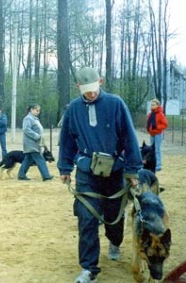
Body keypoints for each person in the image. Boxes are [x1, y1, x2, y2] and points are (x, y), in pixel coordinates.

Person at [57, 67, 143, 283]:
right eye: (86, 90)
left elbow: (129, 137)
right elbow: (66, 140)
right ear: (78, 87)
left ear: (101, 82)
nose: (91, 94)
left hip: (114, 170)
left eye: (94, 89)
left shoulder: (116, 104)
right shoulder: (74, 109)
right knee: (86, 219)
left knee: (114, 218)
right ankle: (89, 269)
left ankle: (115, 242)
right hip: (87, 171)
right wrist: (65, 168)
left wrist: (132, 169)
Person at [17, 104, 54, 181]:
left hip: (36, 142)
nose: (38, 112)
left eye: (39, 110)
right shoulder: (28, 118)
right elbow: (26, 129)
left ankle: (21, 174)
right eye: (37, 110)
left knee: (28, 159)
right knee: (40, 158)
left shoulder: (35, 119)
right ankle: (46, 175)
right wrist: (37, 136)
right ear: (31, 110)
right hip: (31, 143)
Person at [146, 98, 168, 172]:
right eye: (151, 105)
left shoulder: (160, 114)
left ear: (157, 105)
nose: (152, 106)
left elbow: (165, 124)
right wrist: (149, 128)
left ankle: (158, 165)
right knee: (152, 150)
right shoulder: (150, 114)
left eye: (153, 105)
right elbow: (148, 123)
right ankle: (153, 163)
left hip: (158, 134)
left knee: (157, 149)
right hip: (152, 134)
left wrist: (156, 127)